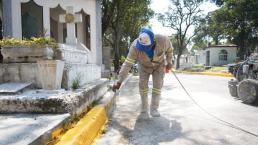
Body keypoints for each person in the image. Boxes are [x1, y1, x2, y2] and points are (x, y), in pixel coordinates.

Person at [112, 27, 173, 119]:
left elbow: (170, 51)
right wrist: (119, 81)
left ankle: (154, 109)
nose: (143, 49)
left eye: (146, 47)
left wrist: (169, 62)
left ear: (153, 41)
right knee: (143, 85)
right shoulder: (135, 46)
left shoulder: (163, 40)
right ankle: (144, 109)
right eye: (142, 47)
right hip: (143, 66)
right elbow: (127, 64)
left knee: (158, 85)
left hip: (159, 65)